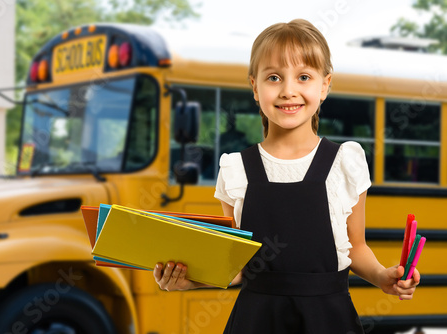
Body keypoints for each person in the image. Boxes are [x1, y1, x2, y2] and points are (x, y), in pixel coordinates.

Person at [153, 19, 420, 333]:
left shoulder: (345, 162)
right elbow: (238, 265)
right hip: (256, 320)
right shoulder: (236, 169)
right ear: (255, 87)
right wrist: (190, 281)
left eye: (303, 76)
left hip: (329, 320)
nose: (288, 90)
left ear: (324, 85)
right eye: (274, 77)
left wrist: (380, 276)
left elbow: (354, 247)